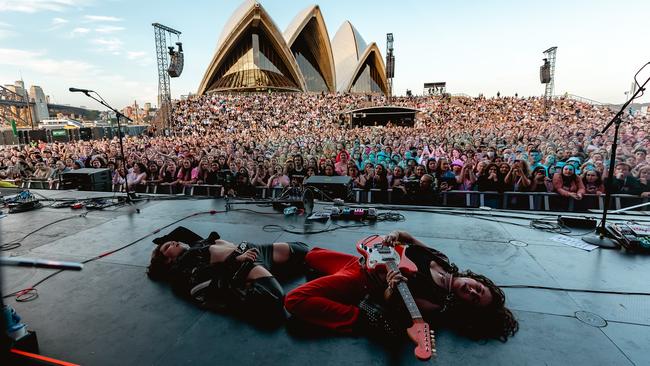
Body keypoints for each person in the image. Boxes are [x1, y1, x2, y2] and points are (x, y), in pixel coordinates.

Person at [285, 231, 518, 341]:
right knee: (311, 256)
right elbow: (408, 239)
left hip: (362, 281)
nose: (473, 291)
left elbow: (393, 301)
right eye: (479, 288)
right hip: (362, 259)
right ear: (478, 280)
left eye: (474, 298)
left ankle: (356, 318)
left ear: (466, 305)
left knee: (295, 300)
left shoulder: (436, 303)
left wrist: (390, 287)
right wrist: (394, 235)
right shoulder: (443, 260)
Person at [147, 226, 308, 326]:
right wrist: (237, 260)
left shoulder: (195, 243)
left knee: (303, 249)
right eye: (168, 246)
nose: (174, 242)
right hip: (244, 263)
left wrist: (162, 240)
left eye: (172, 241)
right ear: (168, 261)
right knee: (274, 297)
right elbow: (201, 281)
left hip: (255, 250)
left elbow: (181, 230)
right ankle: (241, 288)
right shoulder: (184, 263)